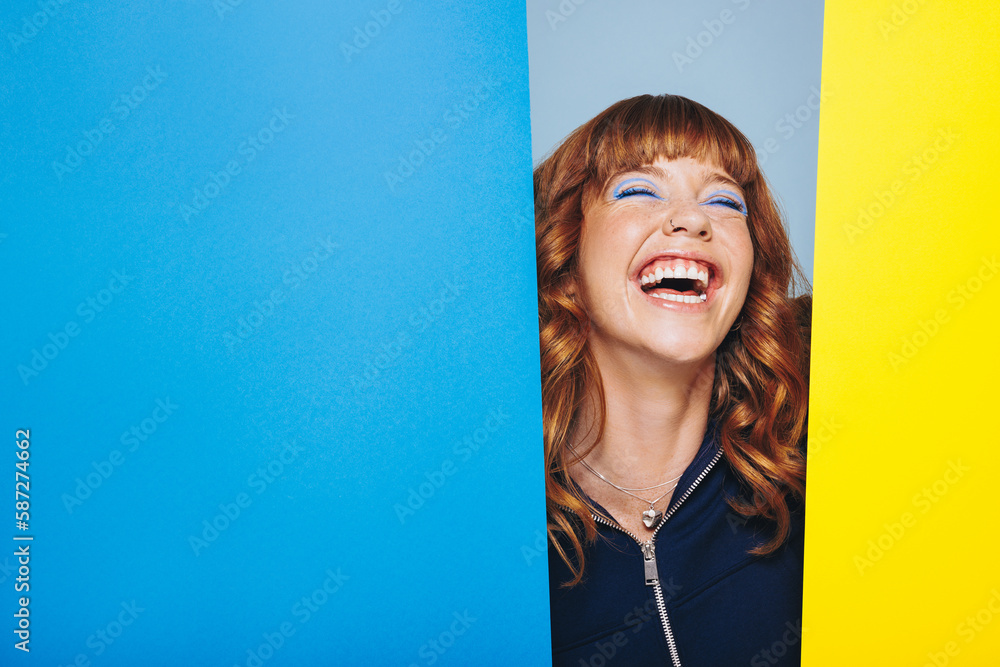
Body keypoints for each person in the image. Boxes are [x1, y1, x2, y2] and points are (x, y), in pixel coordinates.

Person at [535, 94, 811, 666]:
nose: (692, 219)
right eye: (639, 190)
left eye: (724, 201)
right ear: (565, 248)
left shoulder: (814, 446)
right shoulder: (495, 517)